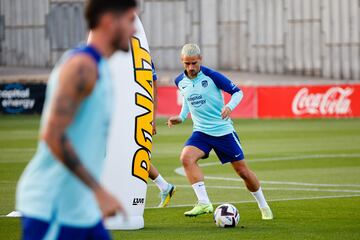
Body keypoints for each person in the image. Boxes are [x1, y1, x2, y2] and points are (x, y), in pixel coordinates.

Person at [16, 1, 137, 239]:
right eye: (130, 20)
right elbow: (53, 136)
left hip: (82, 209)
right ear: (108, 21)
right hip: (53, 208)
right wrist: (100, 192)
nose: (134, 29)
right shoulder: (82, 67)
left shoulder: (101, 67)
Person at [167, 44, 273, 219]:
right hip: (201, 132)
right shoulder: (180, 81)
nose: (191, 67)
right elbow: (187, 100)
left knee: (243, 172)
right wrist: (181, 117)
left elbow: (237, 92)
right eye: (187, 64)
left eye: (194, 63)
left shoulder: (212, 76)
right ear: (182, 61)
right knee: (186, 158)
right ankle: (204, 203)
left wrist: (229, 107)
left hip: (223, 131)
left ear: (200, 59)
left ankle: (264, 206)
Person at [149, 62, 176, 208]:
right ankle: (165, 187)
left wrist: (152, 118)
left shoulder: (143, 54)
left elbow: (154, 88)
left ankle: (165, 187)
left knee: (134, 155)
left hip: (137, 114)